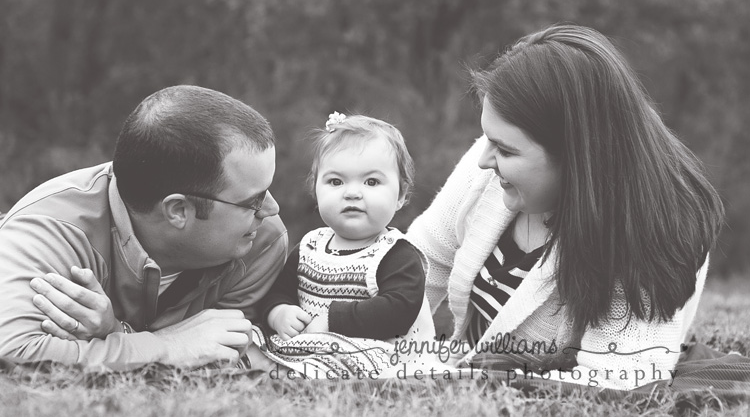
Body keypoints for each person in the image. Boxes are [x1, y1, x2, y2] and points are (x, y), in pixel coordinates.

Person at [406, 24, 724, 390]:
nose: (483, 159)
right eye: (489, 138)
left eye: (506, 150)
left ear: (576, 156)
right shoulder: (492, 167)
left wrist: (459, 382)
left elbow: (615, 385)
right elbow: (419, 267)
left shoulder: (653, 232)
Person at [0, 85, 287, 369]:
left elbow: (217, 365)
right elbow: (12, 350)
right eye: (254, 200)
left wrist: (116, 334)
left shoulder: (262, 242)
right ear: (178, 210)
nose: (272, 209)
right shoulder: (51, 231)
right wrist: (164, 347)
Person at [263, 113, 433, 347]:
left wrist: (332, 321)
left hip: (375, 353)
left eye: (371, 182)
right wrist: (279, 312)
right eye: (336, 182)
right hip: (310, 347)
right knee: (253, 339)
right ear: (315, 189)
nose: (352, 192)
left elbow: (399, 310)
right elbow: (278, 292)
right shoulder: (310, 247)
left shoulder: (395, 254)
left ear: (400, 195)